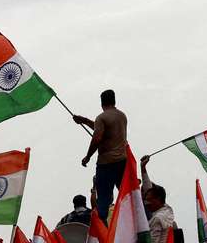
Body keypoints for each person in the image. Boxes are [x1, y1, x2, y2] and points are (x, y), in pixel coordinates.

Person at [73, 89, 128, 222]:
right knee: (125, 195)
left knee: (104, 200)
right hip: (122, 161)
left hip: (106, 164)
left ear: (101, 102)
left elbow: (97, 137)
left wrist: (88, 157)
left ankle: (101, 229)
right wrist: (85, 121)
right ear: (114, 100)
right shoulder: (122, 116)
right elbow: (105, 130)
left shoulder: (102, 117)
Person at [139, 155, 176, 243]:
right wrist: (143, 168)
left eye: (149, 200)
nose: (146, 202)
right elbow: (148, 189)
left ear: (158, 199)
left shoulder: (157, 219)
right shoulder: (165, 208)